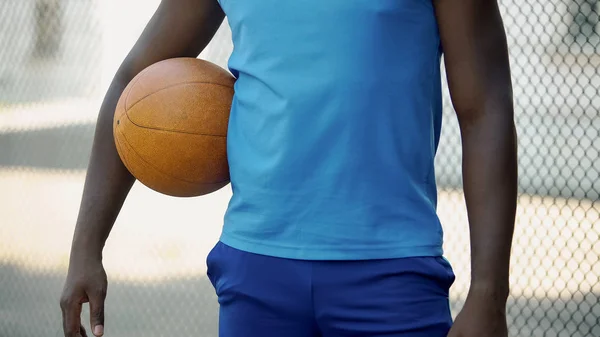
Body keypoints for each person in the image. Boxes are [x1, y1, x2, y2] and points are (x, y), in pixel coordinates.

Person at [60, 0, 518, 336]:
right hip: (256, 271)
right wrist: (86, 246)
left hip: (392, 275)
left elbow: (485, 111)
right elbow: (131, 81)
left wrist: (488, 296)